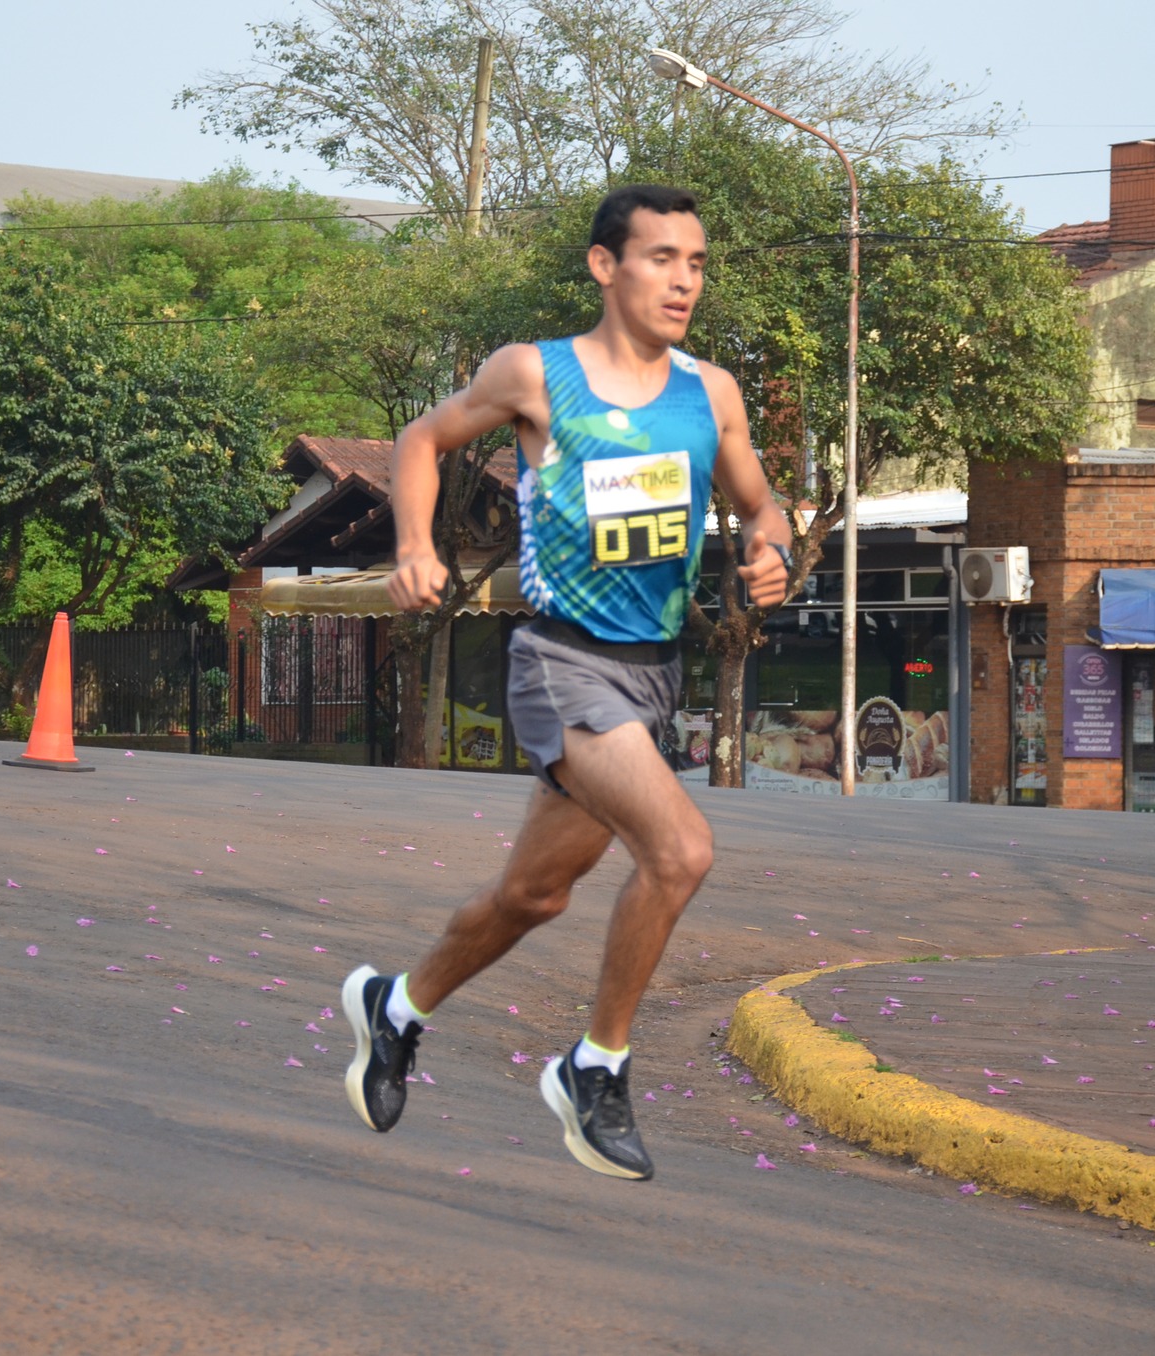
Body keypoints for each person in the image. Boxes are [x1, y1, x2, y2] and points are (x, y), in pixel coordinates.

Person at [341, 184, 793, 1180]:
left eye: (696, 263)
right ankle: (595, 1068)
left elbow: (765, 508)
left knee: (533, 895)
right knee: (679, 851)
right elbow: (421, 440)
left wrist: (774, 552)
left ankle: (395, 1007)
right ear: (604, 265)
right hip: (561, 663)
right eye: (661, 258)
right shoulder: (536, 375)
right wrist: (413, 547)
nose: (683, 281)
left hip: (652, 676)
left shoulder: (710, 394)